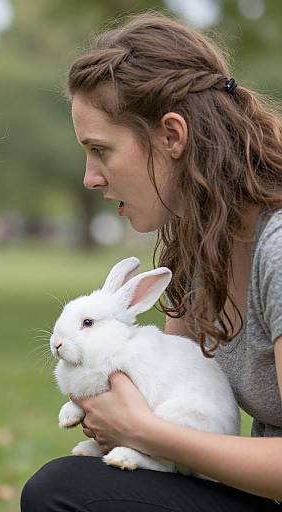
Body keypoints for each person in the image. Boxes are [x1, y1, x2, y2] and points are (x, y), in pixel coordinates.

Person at [22, 12, 282, 512]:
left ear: (172, 136)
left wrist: (143, 431)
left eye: (101, 151)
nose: (90, 178)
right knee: (66, 485)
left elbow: (154, 428)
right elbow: (171, 381)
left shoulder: (276, 246)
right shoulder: (198, 241)